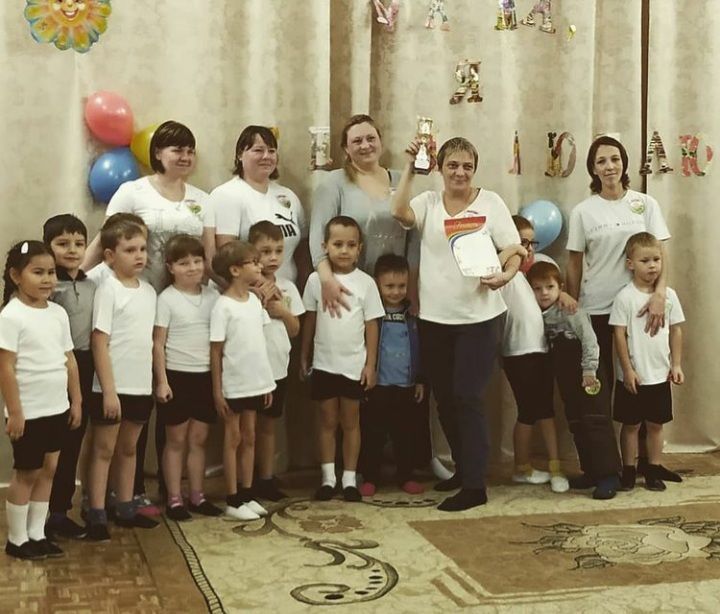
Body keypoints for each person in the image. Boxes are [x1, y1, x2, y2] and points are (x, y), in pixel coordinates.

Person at [82, 121, 212, 512]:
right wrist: (75, 280)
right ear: (157, 153)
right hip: (129, 305)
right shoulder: (132, 191)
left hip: (175, 309)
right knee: (124, 401)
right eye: (176, 149)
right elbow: (105, 239)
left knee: (161, 397)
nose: (184, 156)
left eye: (189, 150)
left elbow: (208, 256)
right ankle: (117, 493)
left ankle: (160, 492)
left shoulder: (203, 199)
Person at [391, 136, 522, 512]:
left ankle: (475, 485)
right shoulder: (428, 202)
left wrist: (505, 276)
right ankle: (464, 470)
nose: (460, 172)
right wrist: (409, 169)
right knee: (445, 400)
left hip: (479, 319)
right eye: (452, 165)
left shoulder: (491, 202)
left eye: (467, 166)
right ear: (440, 168)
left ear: (475, 169)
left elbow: (514, 250)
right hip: (435, 319)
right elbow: (398, 212)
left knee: (467, 396)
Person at [566, 135, 678, 482]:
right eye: (601, 161)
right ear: (593, 169)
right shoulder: (584, 211)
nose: (609, 166)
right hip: (598, 309)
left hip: (642, 312)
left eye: (614, 159)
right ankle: (605, 470)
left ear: (624, 163)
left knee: (645, 382)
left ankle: (647, 463)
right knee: (598, 391)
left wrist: (659, 294)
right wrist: (574, 309)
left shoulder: (645, 204)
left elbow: (660, 253)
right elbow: (574, 262)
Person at [1, 241, 82, 560]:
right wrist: (15, 412)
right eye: (38, 272)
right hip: (29, 411)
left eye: (51, 272)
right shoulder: (11, 316)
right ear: (16, 276)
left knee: (49, 469)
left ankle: (37, 532)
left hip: (57, 407)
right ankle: (17, 539)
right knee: (27, 472)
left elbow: (70, 360)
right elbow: (5, 367)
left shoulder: (58, 313)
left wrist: (76, 401)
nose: (47, 279)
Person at [301, 216, 385, 502]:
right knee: (326, 421)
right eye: (338, 244)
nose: (344, 250)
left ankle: (349, 479)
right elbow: (310, 320)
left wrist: (370, 365)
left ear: (360, 249)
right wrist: (304, 355)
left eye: (351, 245)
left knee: (351, 422)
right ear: (325, 246)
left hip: (354, 366)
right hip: (324, 364)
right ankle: (328, 478)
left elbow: (372, 325)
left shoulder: (367, 283)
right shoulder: (316, 281)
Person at [86, 218, 158, 542]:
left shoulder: (150, 292)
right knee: (104, 449)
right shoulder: (107, 289)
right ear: (110, 256)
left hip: (140, 385)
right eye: (130, 250)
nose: (139, 255)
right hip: (111, 387)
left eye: (142, 248)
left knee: (129, 449)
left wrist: (156, 381)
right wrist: (109, 391)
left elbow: (151, 342)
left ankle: (125, 506)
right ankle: (96, 512)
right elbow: (99, 342)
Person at [527, 261, 621, 499]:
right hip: (566, 377)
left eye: (550, 287)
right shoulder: (537, 315)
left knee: (596, 420)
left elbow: (590, 340)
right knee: (577, 422)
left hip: (589, 374)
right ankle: (591, 470)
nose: (544, 293)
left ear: (560, 287)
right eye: (537, 288)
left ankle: (609, 475)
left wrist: (589, 370)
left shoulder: (571, 311)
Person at [309, 114, 420, 316]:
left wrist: (411, 289)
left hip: (394, 295)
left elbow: (413, 239)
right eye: (357, 141)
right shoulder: (333, 183)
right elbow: (317, 237)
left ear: (380, 141)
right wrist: (327, 280)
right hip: (348, 292)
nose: (365, 145)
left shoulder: (400, 179)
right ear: (346, 148)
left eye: (371, 138)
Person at [153, 235, 222, 520]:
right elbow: (158, 343)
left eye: (197, 261)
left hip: (205, 377)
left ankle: (197, 495)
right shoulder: (166, 299)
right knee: (176, 440)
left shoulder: (214, 297)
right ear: (170, 267)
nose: (192, 268)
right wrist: (162, 381)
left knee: (199, 439)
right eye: (184, 263)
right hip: (176, 377)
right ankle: (174, 498)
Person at [498, 217, 568, 493]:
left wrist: (563, 295)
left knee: (546, 410)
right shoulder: (505, 275)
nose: (528, 249)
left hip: (541, 350)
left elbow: (551, 292)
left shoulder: (534, 275)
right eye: (521, 242)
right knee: (528, 411)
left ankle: (555, 467)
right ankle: (522, 468)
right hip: (518, 353)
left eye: (531, 243)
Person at [610, 232, 685, 491]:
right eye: (645, 261)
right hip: (634, 376)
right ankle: (629, 470)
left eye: (656, 259)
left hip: (659, 375)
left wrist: (676, 364)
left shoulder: (669, 296)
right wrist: (627, 369)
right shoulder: (625, 297)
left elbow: (676, 330)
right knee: (631, 425)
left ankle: (653, 469)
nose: (652, 266)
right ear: (630, 264)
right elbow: (618, 335)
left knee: (655, 425)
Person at [210, 240, 275, 521]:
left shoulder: (255, 302)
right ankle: (233, 498)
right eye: (254, 262)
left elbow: (260, 345)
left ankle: (247, 493)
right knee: (233, 438)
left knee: (250, 436)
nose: (260, 267)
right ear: (235, 270)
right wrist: (218, 391)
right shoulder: (223, 306)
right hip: (233, 385)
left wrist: (266, 382)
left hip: (255, 382)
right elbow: (216, 351)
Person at [42, 215, 96, 540]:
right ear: (48, 247)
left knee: (73, 442)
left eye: (79, 243)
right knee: (50, 447)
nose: (72, 250)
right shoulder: (48, 288)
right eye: (63, 244)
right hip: (55, 367)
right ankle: (38, 514)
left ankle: (60, 513)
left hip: (86, 366)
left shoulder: (92, 284)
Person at [358, 254, 426, 497]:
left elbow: (420, 348)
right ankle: (370, 477)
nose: (396, 292)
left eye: (401, 286)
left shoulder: (413, 314)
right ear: (377, 284)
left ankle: (406, 475)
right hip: (378, 385)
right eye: (389, 286)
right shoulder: (372, 315)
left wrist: (420, 379)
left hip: (406, 384)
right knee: (373, 434)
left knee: (405, 434)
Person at [248, 222, 305, 501]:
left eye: (278, 251)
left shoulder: (288, 287)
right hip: (248, 371)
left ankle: (266, 478)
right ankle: (244, 481)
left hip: (277, 368)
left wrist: (282, 311)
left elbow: (295, 330)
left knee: (269, 425)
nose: (273, 257)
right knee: (246, 429)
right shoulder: (244, 289)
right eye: (265, 251)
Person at [211, 125, 308, 286]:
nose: (266, 156)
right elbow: (226, 256)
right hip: (247, 292)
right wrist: (264, 287)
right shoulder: (226, 195)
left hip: (287, 290)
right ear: (240, 155)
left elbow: (302, 248)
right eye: (258, 150)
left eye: (271, 151)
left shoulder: (288, 196)